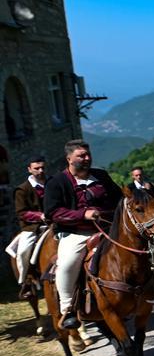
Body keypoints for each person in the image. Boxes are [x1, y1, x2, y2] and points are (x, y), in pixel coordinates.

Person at [43, 140, 123, 330]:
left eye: (88, 155)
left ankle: (149, 288)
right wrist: (82, 214)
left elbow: (119, 199)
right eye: (81, 155)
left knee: (137, 249)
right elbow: (52, 213)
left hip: (108, 229)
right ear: (69, 158)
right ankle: (68, 309)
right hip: (76, 233)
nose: (87, 158)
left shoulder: (101, 176)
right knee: (66, 265)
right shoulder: (56, 182)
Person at [6, 156, 47, 297]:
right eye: (37, 168)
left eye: (42, 167)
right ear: (29, 169)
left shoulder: (52, 183)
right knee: (23, 251)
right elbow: (21, 213)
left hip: (57, 222)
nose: (40, 171)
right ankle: (25, 281)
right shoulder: (22, 190)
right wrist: (40, 216)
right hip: (33, 228)